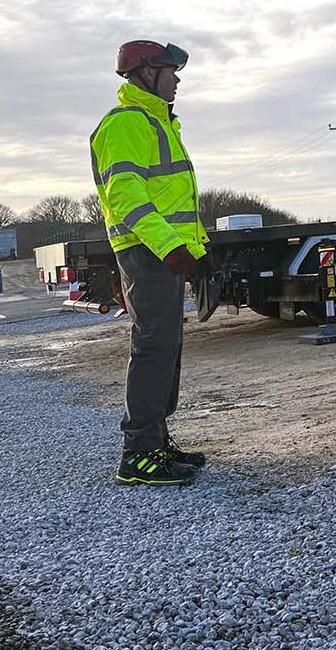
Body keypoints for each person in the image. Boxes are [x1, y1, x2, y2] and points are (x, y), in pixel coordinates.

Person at [90, 40, 210, 486]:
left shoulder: (158, 123)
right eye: (169, 70)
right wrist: (170, 248)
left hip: (161, 250)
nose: (177, 79)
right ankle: (139, 452)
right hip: (147, 250)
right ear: (145, 74)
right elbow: (127, 198)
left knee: (167, 346)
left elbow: (173, 198)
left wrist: (196, 247)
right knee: (154, 345)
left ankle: (157, 439)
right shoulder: (127, 124)